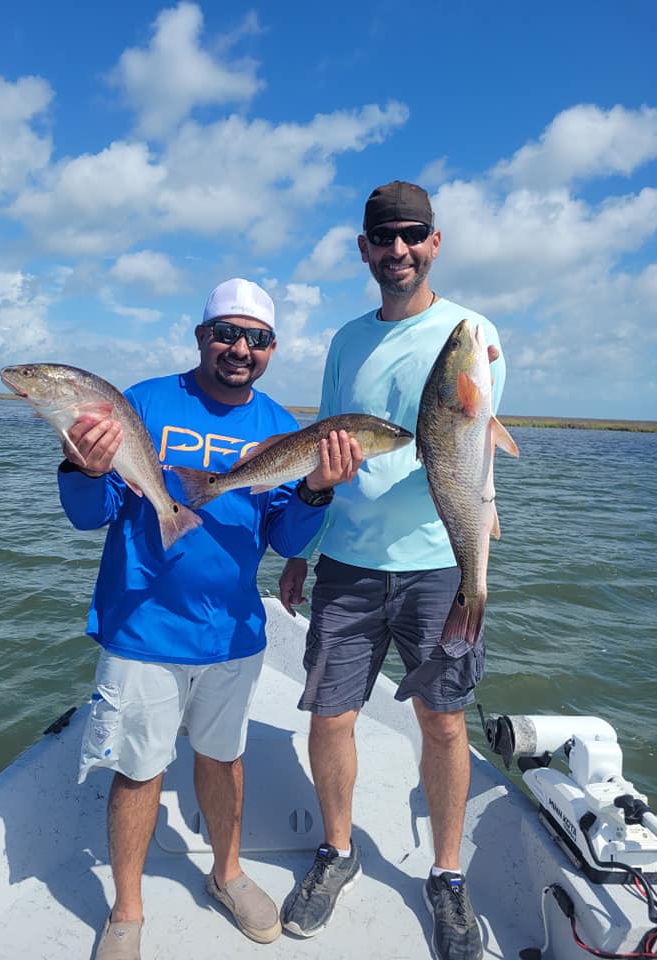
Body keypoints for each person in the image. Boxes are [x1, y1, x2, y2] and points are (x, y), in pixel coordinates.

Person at [58, 277, 362, 960]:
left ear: (272, 348)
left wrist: (315, 487)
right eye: (224, 332)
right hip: (142, 629)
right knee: (139, 771)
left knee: (224, 763)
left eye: (254, 338)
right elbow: (88, 514)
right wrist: (80, 466)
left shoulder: (283, 428)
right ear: (201, 337)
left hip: (231, 632)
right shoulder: (142, 402)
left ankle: (226, 873)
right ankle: (127, 910)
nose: (238, 348)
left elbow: (284, 542)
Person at [278, 182, 506, 960]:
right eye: (384, 238)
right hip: (346, 559)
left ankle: (446, 875)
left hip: (441, 562)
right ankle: (337, 852)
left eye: (412, 235)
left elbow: (471, 436)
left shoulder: (470, 333)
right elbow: (326, 445)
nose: (398, 250)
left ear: (434, 242)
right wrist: (302, 549)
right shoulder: (345, 340)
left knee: (443, 721)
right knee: (329, 714)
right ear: (364, 249)